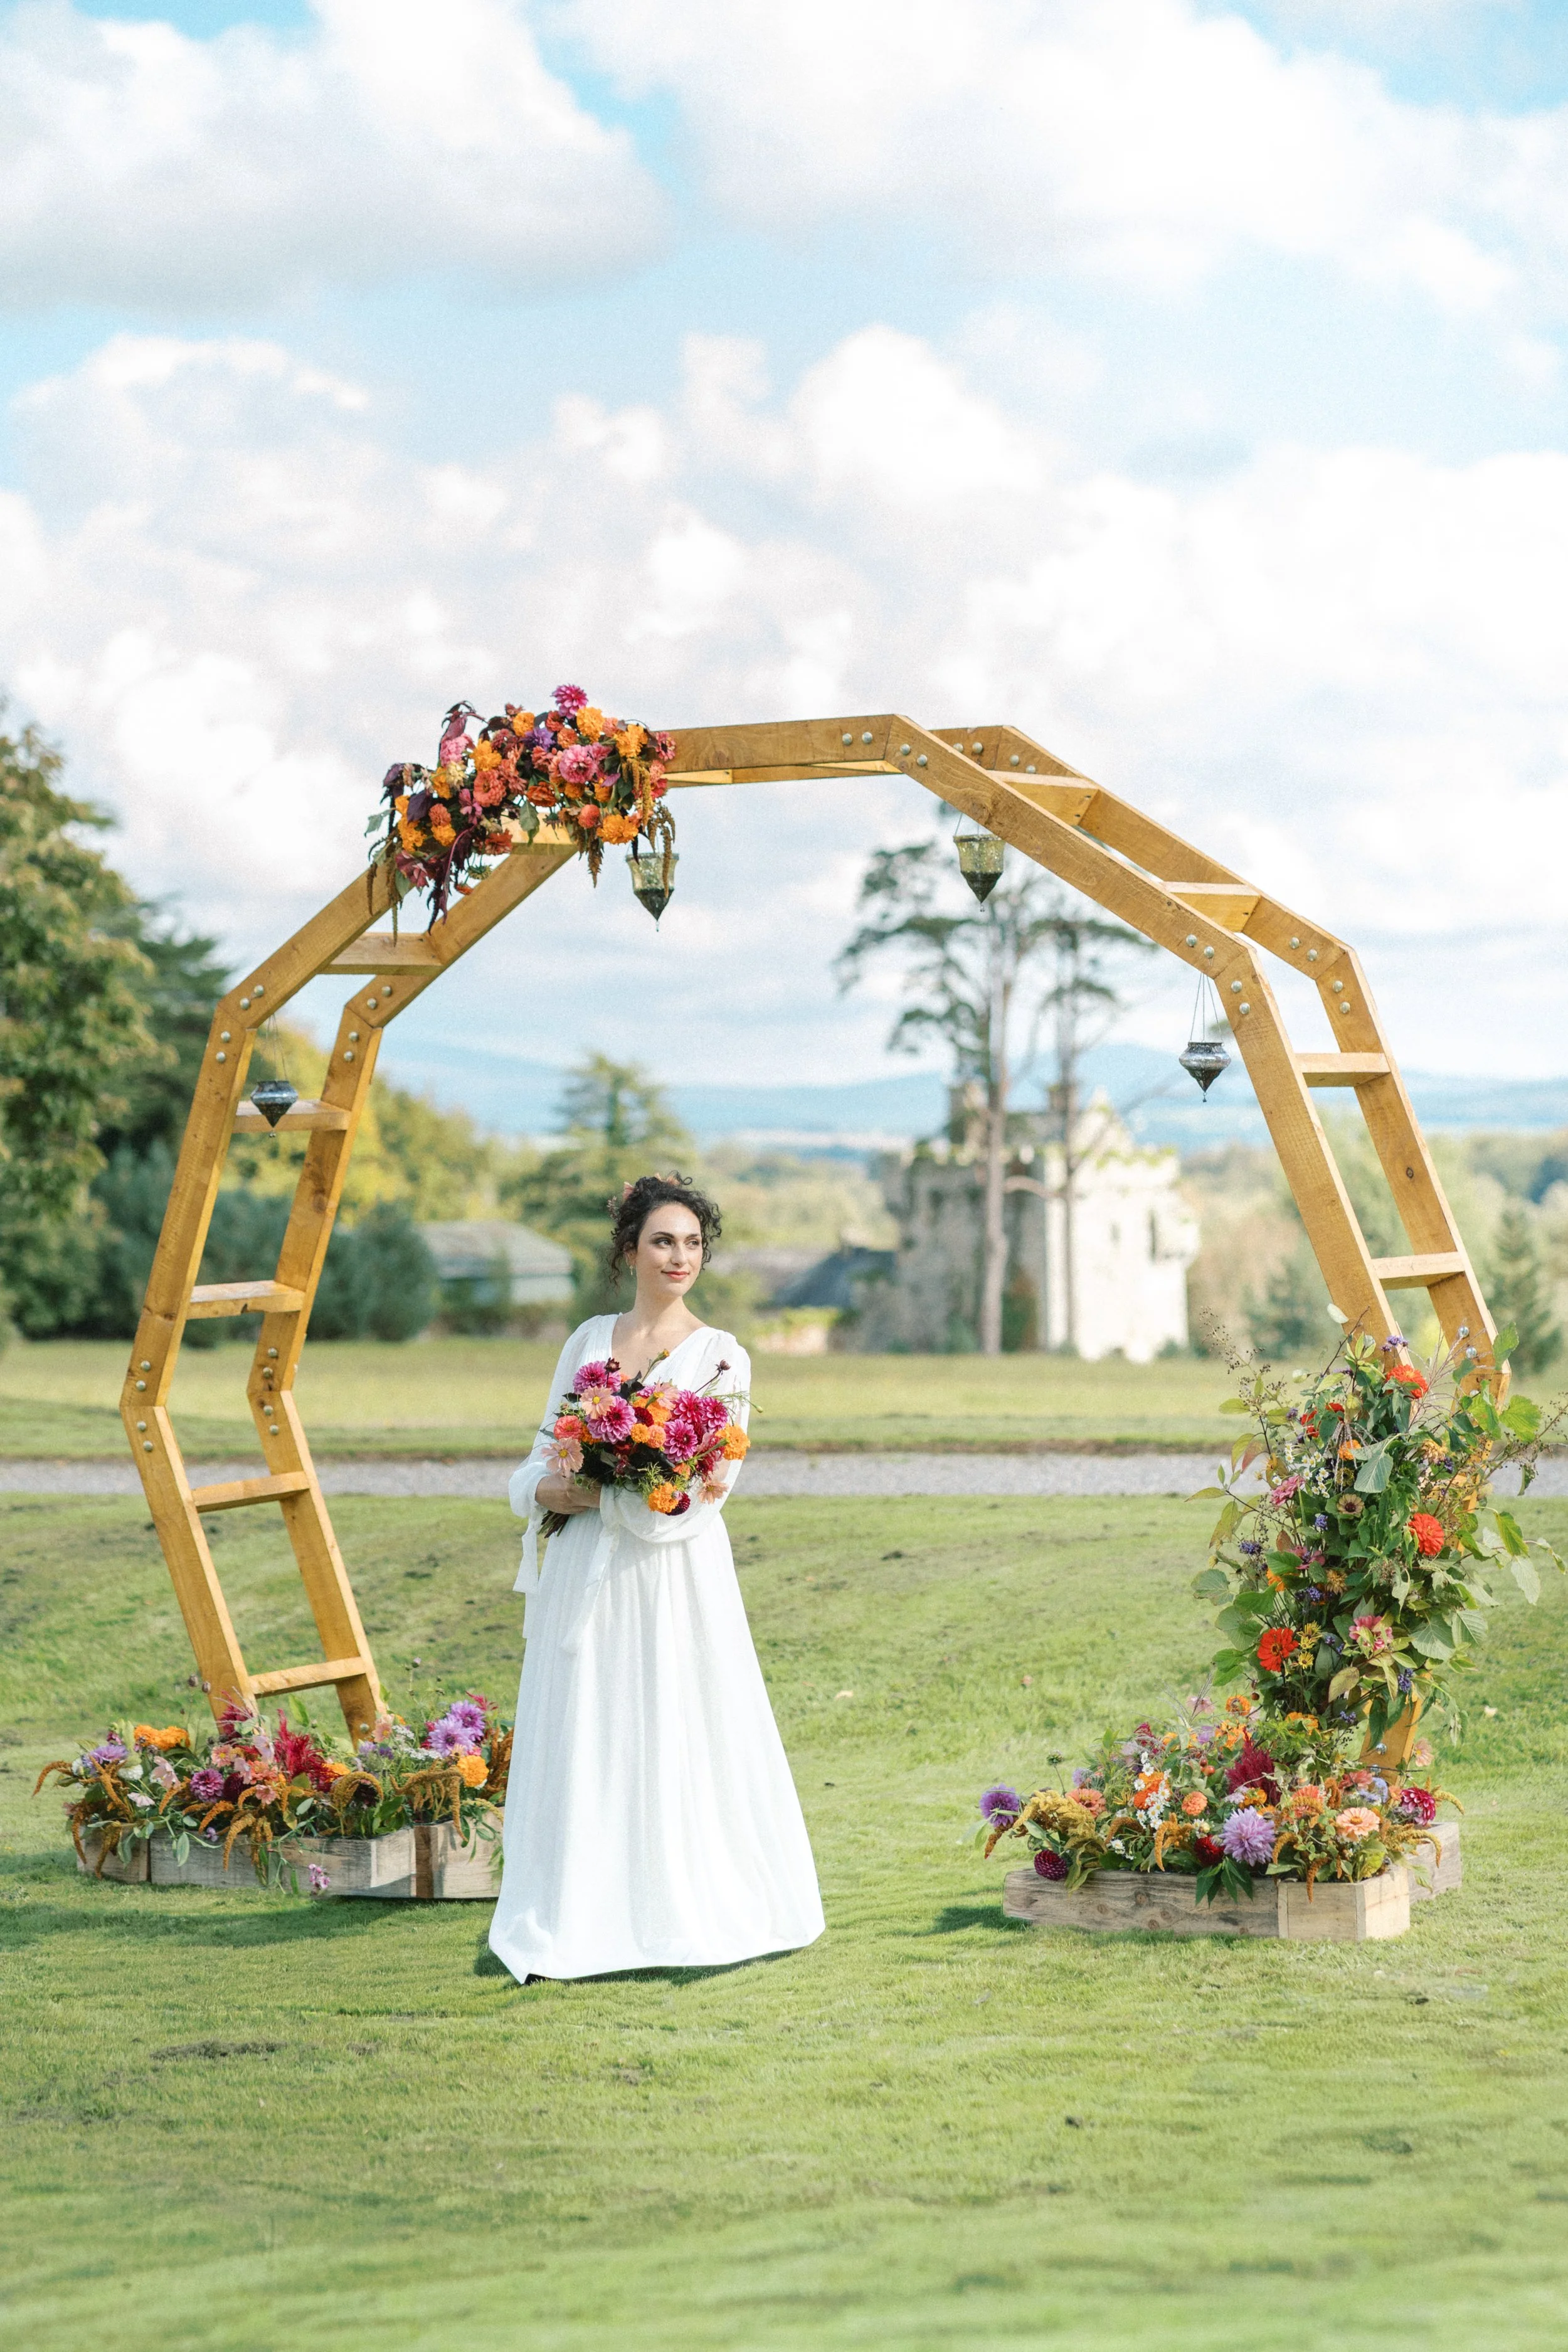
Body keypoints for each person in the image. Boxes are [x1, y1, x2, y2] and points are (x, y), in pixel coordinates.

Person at [488, 1172, 825, 1982]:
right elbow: (544, 1448)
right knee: (588, 1722)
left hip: (671, 1576)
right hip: (584, 1572)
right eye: (663, 1241)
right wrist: (549, 1489)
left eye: (693, 1244)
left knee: (671, 1720)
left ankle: (677, 1898)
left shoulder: (722, 1357)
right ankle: (578, 1898)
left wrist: (622, 1492)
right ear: (630, 1250)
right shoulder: (588, 1341)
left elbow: (711, 1491)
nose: (680, 1257)